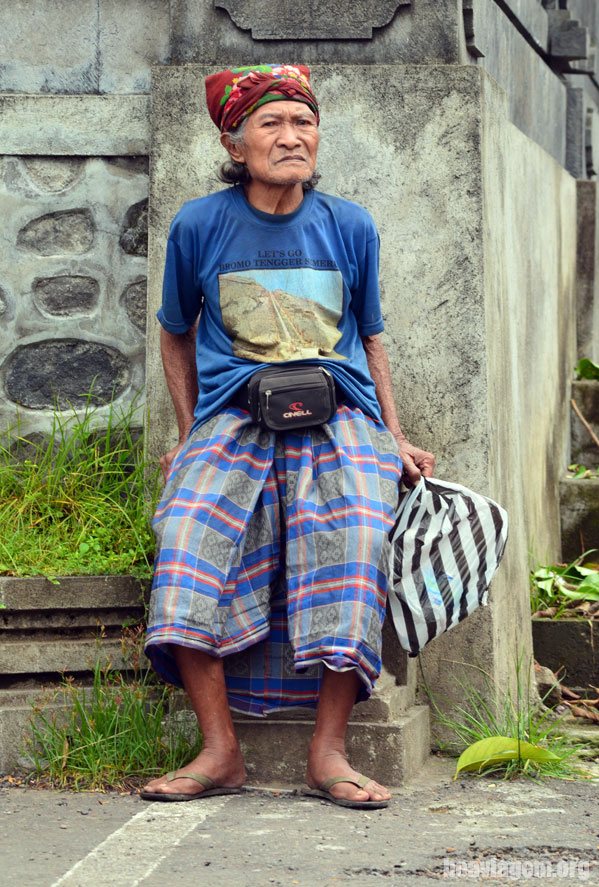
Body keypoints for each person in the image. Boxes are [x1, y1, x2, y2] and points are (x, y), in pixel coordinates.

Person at [141, 64, 435, 809]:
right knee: (185, 528)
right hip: (234, 416)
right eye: (272, 124)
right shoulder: (200, 224)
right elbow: (175, 335)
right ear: (233, 144)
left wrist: (392, 438)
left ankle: (328, 750)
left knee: (359, 528)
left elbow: (371, 342)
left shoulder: (351, 225)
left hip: (339, 414)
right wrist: (189, 430)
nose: (291, 137)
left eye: (303, 123)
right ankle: (220, 748)